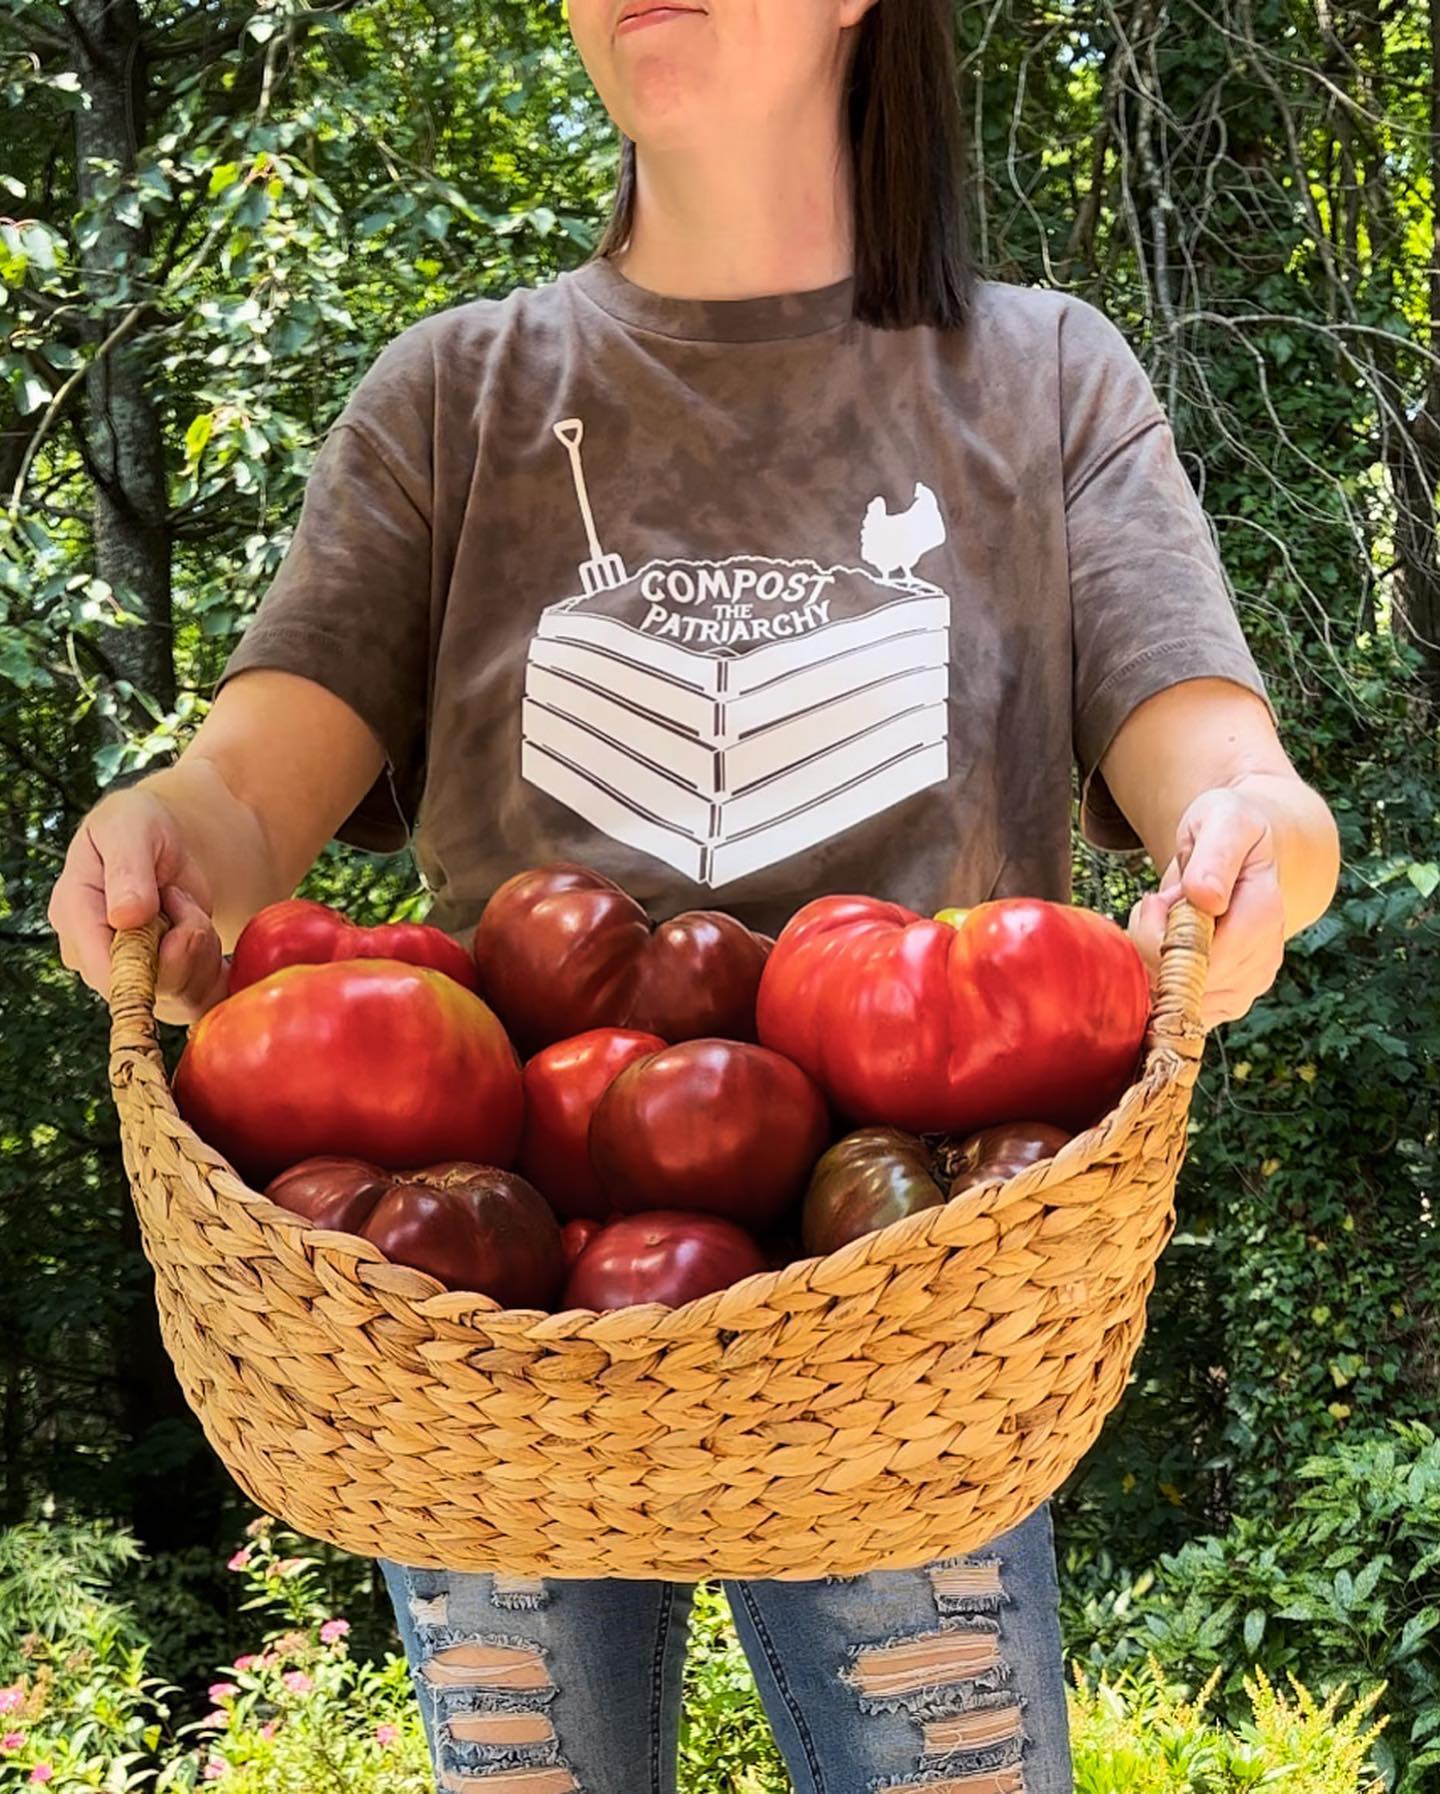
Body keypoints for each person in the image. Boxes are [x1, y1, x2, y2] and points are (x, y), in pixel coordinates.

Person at [48, 1, 1340, 1788]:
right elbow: (243, 789)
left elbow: (1218, 765)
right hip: (490, 1321)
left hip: (908, 1312)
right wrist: (169, 832)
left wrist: (1262, 828)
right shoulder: (458, 396)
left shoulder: (1046, 383)